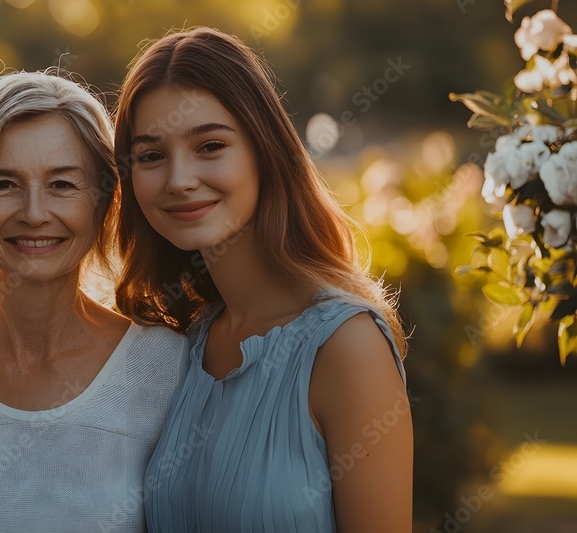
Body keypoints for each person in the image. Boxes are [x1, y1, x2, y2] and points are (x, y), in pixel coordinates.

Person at [113, 27, 413, 533]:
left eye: (210, 145)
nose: (179, 179)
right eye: (151, 155)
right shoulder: (185, 343)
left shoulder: (347, 348)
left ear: (264, 150)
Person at [0, 71, 188, 533]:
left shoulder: (167, 364)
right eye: (3, 184)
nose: (33, 213)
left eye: (63, 185)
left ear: (105, 203)